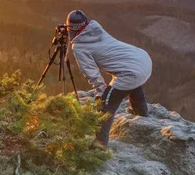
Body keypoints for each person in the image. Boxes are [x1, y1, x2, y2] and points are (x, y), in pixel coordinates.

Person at [65, 10, 152, 149]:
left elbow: (91, 72)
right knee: (132, 82)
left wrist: (101, 92)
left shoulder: (79, 46)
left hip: (132, 72)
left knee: (106, 105)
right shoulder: (96, 30)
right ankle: (141, 111)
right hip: (143, 59)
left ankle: (99, 145)